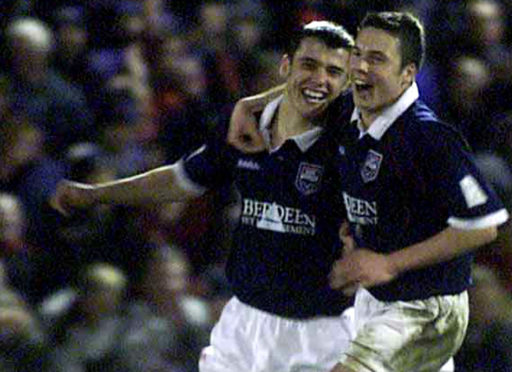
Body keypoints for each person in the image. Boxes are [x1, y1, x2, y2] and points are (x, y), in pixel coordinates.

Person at [51, 21, 356, 372]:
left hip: (320, 334)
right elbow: (180, 180)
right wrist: (97, 194)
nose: (320, 79)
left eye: (334, 72)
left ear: (347, 83)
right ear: (286, 66)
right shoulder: (246, 129)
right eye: (309, 65)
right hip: (246, 324)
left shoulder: (354, 144)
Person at [228, 11, 509, 372]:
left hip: (424, 307)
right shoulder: (352, 113)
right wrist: (250, 105)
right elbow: (319, 92)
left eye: (376, 59)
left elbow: (482, 226)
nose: (359, 67)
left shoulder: (428, 138)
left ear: (408, 73)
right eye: (358, 54)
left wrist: (388, 262)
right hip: (375, 300)